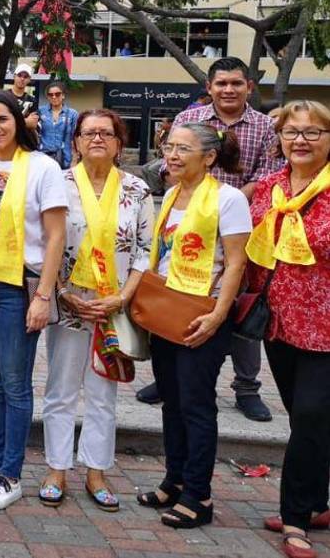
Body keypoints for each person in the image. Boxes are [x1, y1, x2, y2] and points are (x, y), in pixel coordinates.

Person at [136, 56, 279, 421]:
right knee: (174, 295)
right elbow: (169, 165)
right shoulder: (190, 119)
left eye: (236, 83)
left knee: (235, 305)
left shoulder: (264, 126)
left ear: (249, 87)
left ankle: (246, 387)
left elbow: (266, 176)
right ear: (209, 87)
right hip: (189, 221)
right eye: (221, 83)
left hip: (239, 224)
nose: (228, 89)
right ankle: (169, 376)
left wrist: (222, 206)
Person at [127, 123, 249, 529]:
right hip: (167, 310)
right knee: (173, 401)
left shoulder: (229, 199)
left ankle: (200, 495)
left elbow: (236, 263)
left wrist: (217, 315)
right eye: (169, 147)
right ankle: (174, 481)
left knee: (196, 405)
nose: (173, 156)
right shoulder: (171, 195)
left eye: (183, 149)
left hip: (202, 313)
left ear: (209, 157)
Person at [0, 90, 67, 511]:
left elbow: (56, 237)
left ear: (17, 121)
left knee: (15, 382)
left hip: (19, 285)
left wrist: (43, 296)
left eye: (2, 119)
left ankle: (10, 474)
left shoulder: (43, 168)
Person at [41, 110, 152, 511]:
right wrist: (60, 292)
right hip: (71, 304)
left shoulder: (137, 189)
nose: (98, 139)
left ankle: (96, 471)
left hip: (114, 307)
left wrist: (123, 297)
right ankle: (56, 468)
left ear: (120, 142)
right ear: (76, 141)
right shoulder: (57, 184)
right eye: (89, 133)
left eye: (107, 132)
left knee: (104, 392)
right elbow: (43, 243)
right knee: (61, 389)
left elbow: (145, 251)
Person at [246, 101, 330, 556]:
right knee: (306, 418)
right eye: (292, 132)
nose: (300, 140)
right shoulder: (269, 187)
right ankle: (316, 502)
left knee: (313, 416)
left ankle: (295, 517)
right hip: (279, 323)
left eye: (313, 132)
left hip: (326, 326)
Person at [37, 83, 78, 170]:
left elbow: (75, 139)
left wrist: (74, 160)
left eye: (57, 94)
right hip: (44, 158)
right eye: (50, 94)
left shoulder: (72, 114)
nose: (54, 97)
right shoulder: (41, 111)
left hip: (65, 159)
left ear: (63, 95)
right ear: (47, 97)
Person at [10, 64, 40, 135]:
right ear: (14, 76)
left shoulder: (32, 100)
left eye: (25, 77)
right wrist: (25, 122)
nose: (22, 79)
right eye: (19, 75)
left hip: (25, 139)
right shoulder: (4, 96)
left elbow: (33, 124)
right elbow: (2, 121)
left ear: (29, 79)